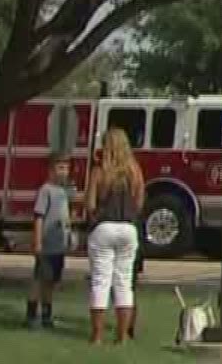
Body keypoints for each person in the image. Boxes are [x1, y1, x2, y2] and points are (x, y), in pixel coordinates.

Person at [86, 127, 145, 345]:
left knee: (100, 282)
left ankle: (97, 336)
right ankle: (122, 337)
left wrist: (96, 213)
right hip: (128, 228)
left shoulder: (99, 171)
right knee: (124, 283)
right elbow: (139, 203)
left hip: (104, 226)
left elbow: (90, 204)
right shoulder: (134, 171)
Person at [25, 157, 73, 330]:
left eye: (66, 168)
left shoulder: (63, 191)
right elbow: (39, 217)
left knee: (51, 282)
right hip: (46, 245)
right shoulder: (46, 190)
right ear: (51, 170)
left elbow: (65, 218)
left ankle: (47, 315)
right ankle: (31, 315)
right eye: (60, 167)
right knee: (39, 280)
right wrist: (37, 242)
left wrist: (69, 236)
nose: (64, 172)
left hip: (58, 245)